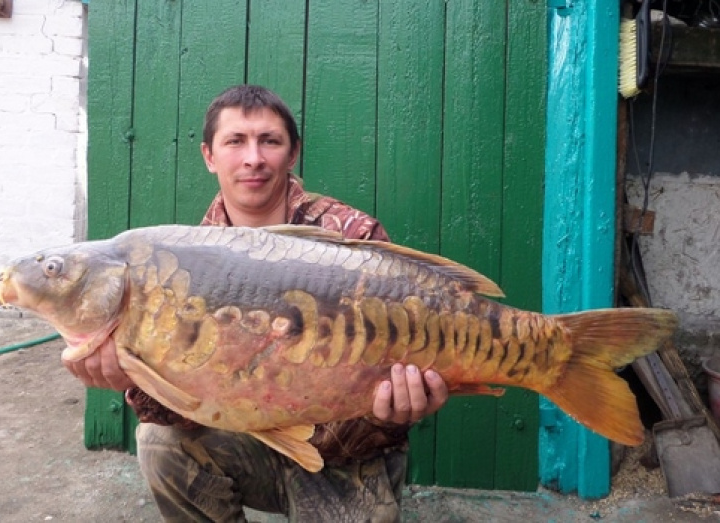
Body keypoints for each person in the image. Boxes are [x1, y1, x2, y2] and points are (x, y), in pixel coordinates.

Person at [64, 85, 449, 522]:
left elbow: (398, 384)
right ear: (209, 155)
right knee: (159, 444)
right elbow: (174, 412)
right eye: (235, 142)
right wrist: (130, 376)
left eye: (269, 140)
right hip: (250, 446)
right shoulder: (182, 263)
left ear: (293, 153)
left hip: (347, 455)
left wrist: (398, 411)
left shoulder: (351, 237)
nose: (253, 158)